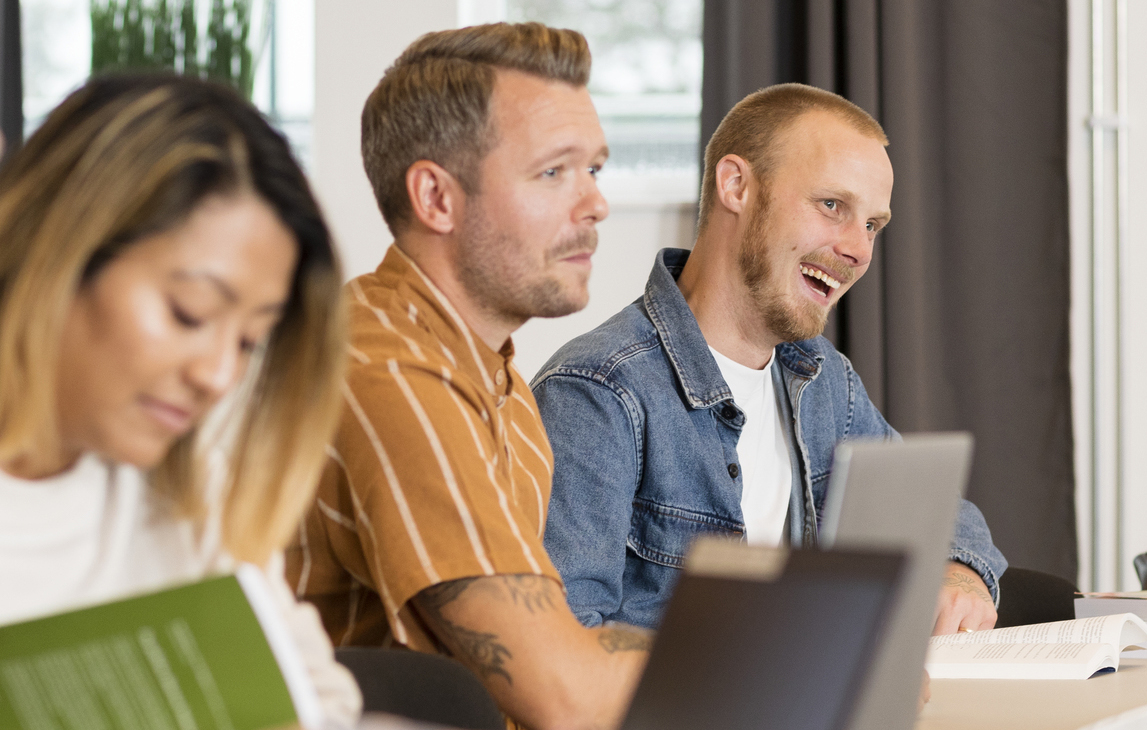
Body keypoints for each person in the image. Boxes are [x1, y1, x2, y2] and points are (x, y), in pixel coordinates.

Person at [533, 83, 1007, 636]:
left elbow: (939, 514)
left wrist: (958, 576)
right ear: (736, 185)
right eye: (832, 206)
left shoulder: (823, 379)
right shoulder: (597, 393)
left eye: (872, 225)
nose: (859, 250)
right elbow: (562, 643)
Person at [284, 23, 650, 730]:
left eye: (594, 170)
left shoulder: (502, 383)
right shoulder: (390, 372)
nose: (595, 204)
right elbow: (565, 697)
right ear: (437, 198)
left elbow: (554, 652)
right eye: (554, 172)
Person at [0, 74, 359, 729]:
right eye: (189, 313)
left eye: (249, 341)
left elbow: (322, 703)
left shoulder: (191, 493)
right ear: (58, 257)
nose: (218, 375)